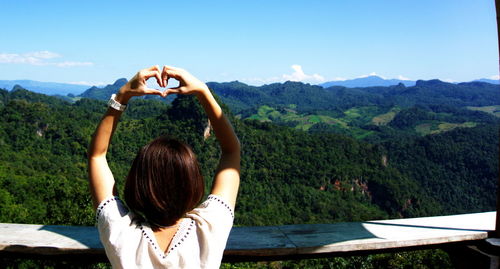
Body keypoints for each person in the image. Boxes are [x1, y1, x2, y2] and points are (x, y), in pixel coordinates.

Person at [88, 65, 241, 268]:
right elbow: (232, 151)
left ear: (137, 184)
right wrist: (203, 91)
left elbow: (96, 156)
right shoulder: (209, 229)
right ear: (193, 183)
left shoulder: (121, 233)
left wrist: (122, 96)